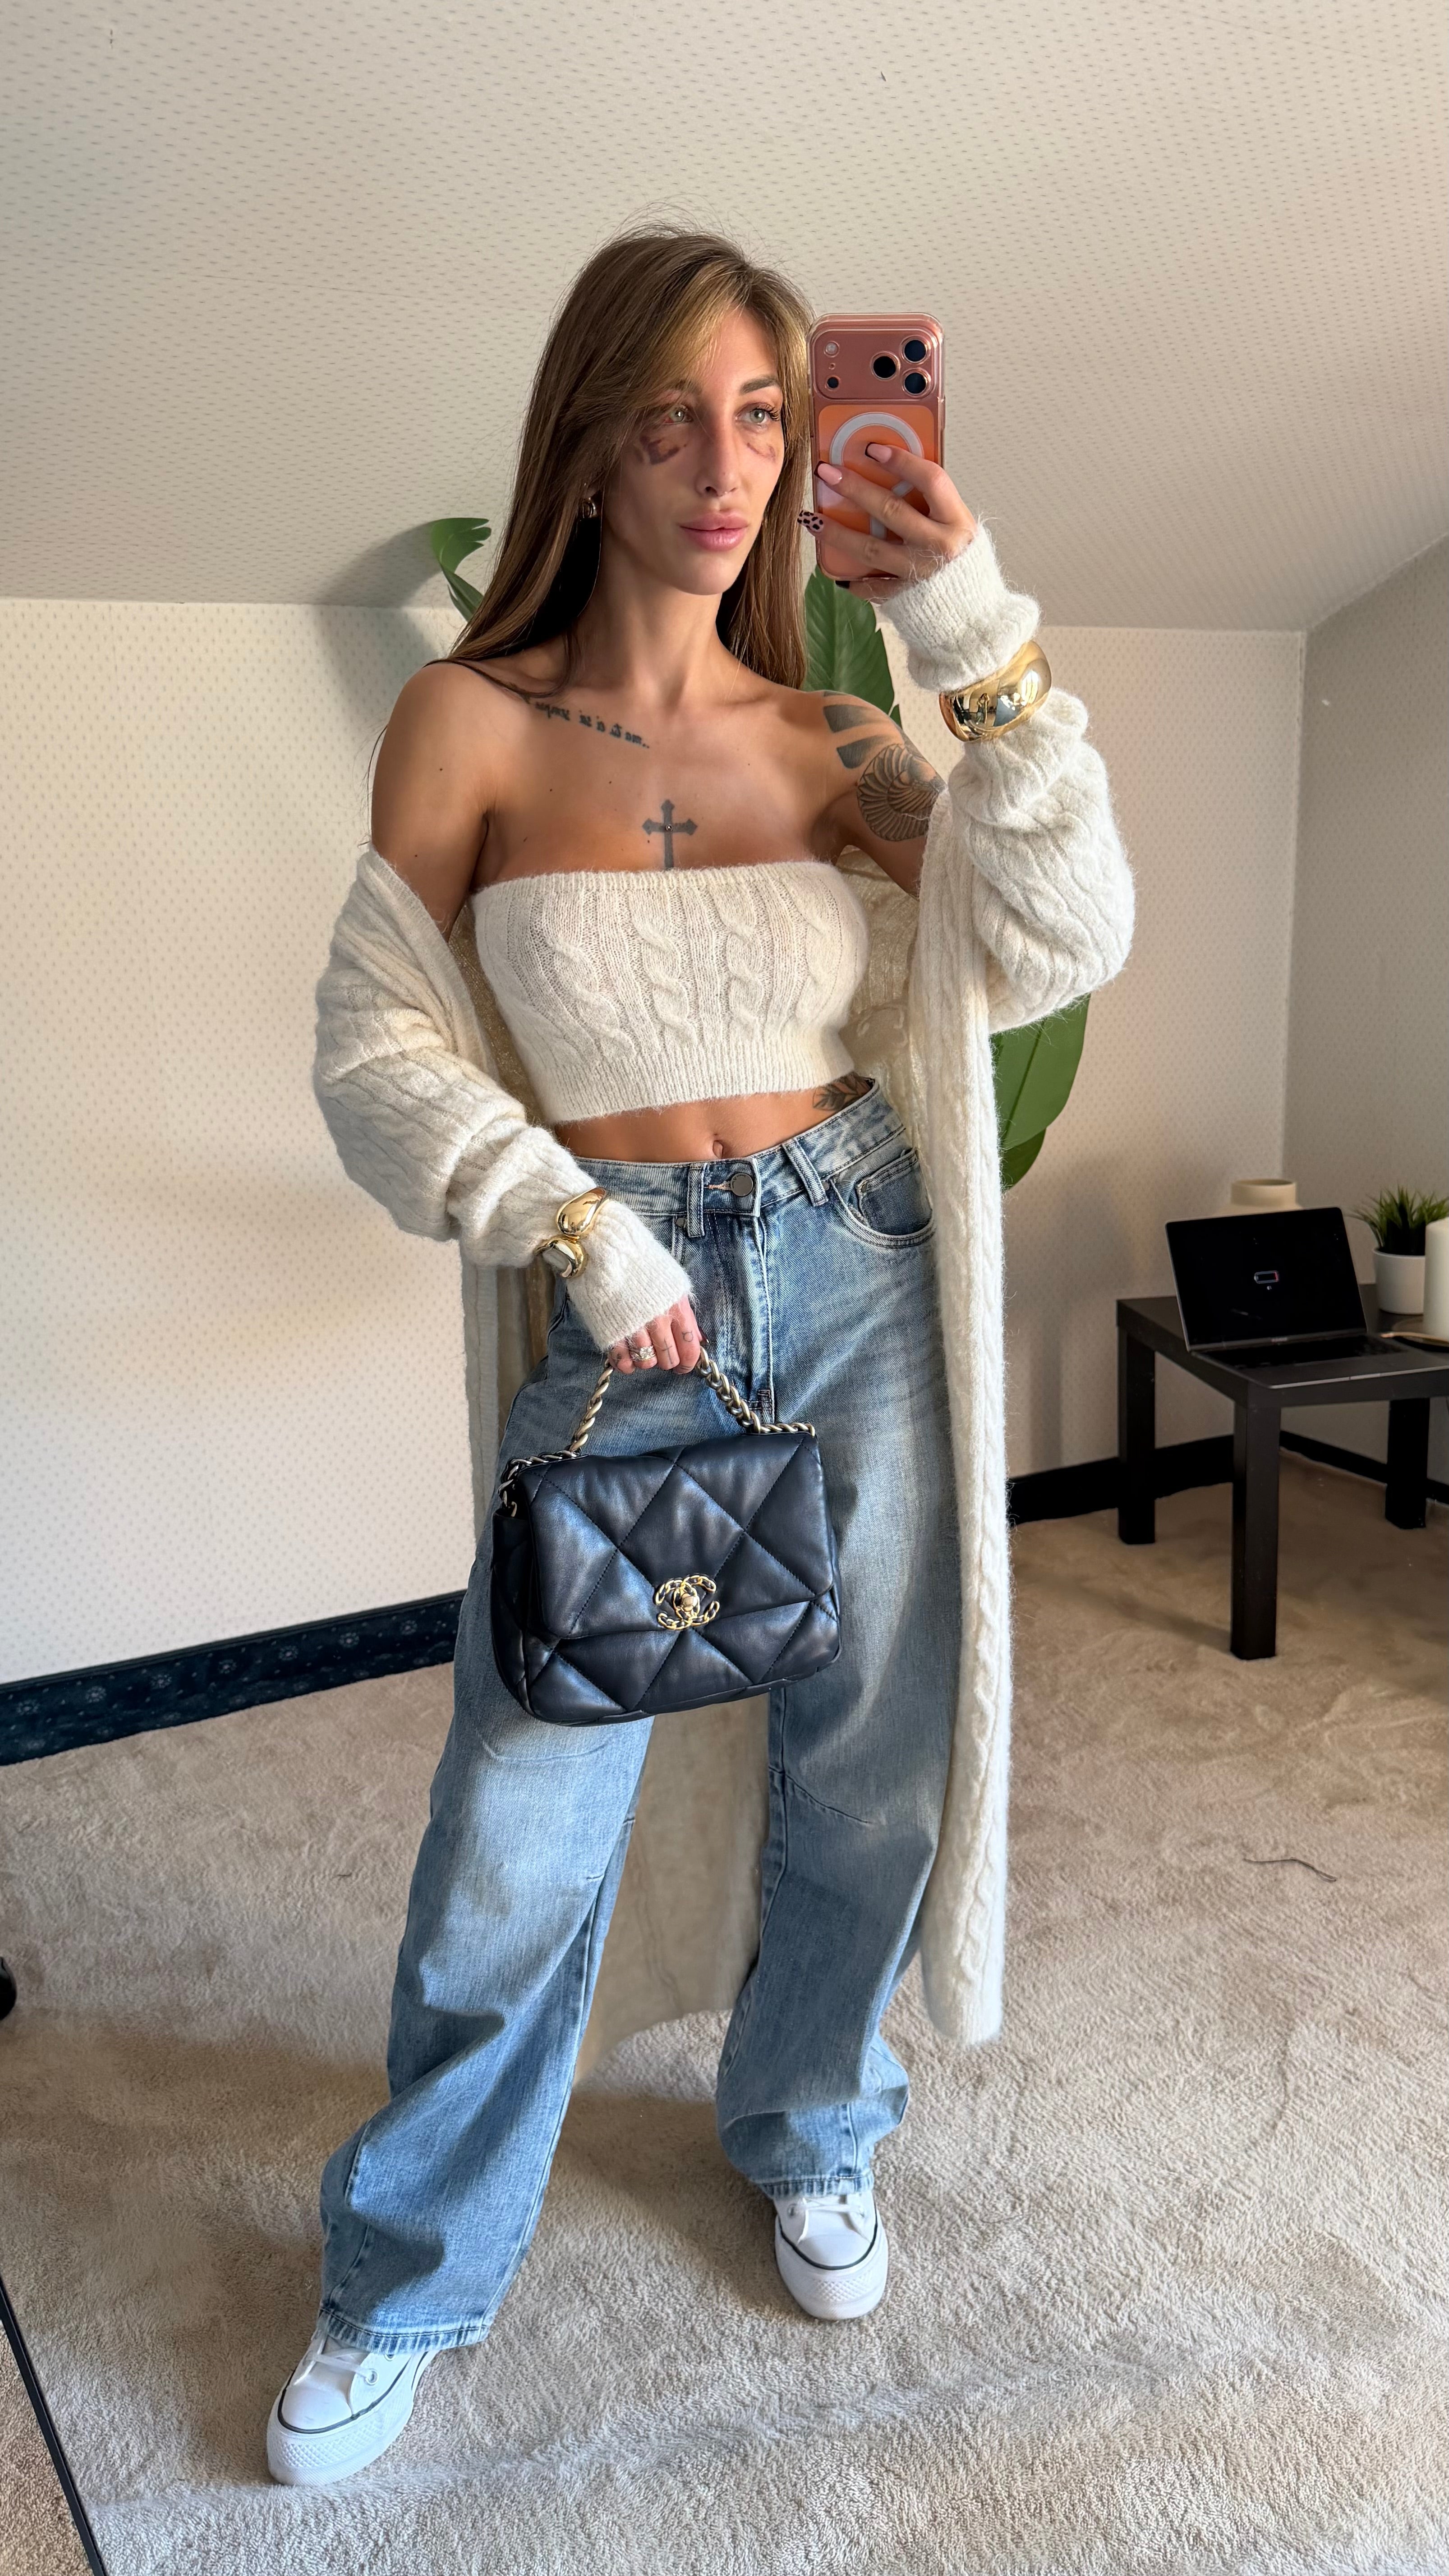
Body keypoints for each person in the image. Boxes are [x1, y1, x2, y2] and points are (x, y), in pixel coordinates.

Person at [267, 227, 1133, 2486]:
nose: (728, 466)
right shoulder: (469, 724)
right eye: (671, 417)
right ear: (585, 446)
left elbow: (1059, 938)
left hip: (855, 1257)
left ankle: (811, 2118)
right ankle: (409, 2267)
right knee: (518, 1811)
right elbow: (375, 1039)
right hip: (620, 1297)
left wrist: (971, 634)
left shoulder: (841, 738)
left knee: (875, 1755)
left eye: (764, 414)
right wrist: (563, 1216)